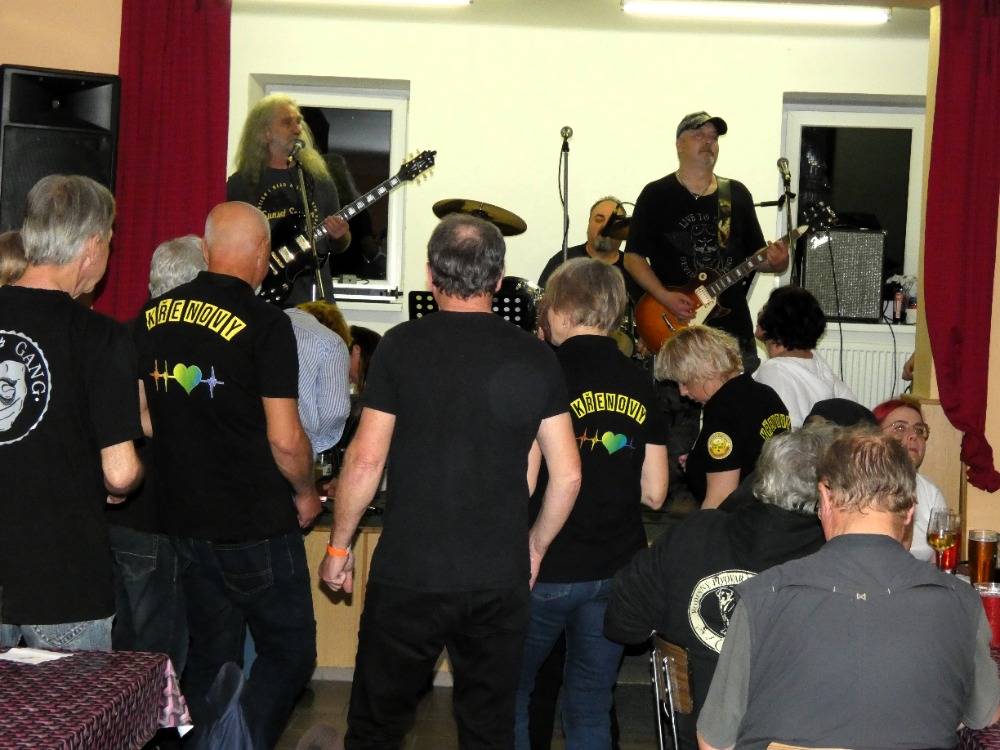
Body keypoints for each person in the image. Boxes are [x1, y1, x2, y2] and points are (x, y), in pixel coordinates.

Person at [318, 214, 582, 750]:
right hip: (497, 577)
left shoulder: (400, 346)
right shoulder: (535, 355)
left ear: (430, 274)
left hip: (409, 574)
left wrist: (339, 548)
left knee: (376, 729)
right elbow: (569, 474)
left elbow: (366, 461)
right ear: (499, 279)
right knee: (488, 733)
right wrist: (533, 548)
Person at [133, 201, 321, 748]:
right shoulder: (267, 324)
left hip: (183, 520)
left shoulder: (152, 316)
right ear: (262, 254)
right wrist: (306, 491)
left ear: (206, 248)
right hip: (254, 521)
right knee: (289, 652)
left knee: (211, 656)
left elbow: (142, 417)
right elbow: (285, 438)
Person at [697, 430, 1000, 750]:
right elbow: (985, 714)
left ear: (824, 499)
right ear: (911, 510)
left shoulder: (762, 597)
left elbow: (713, 742)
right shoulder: (962, 601)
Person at [514, 258, 668, 749]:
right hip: (616, 569)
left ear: (560, 311)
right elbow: (656, 491)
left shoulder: (545, 371)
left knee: (511, 694)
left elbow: (525, 481)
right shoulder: (640, 380)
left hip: (548, 567)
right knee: (590, 701)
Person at [604, 425, 833, 750]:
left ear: (762, 476)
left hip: (691, 732)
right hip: (795, 738)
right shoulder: (832, 559)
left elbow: (623, 623)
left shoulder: (695, 532)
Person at [0, 174, 143, 650]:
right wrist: (121, 483)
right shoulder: (101, 337)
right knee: (69, 702)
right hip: (63, 579)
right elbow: (120, 473)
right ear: (92, 245)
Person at [106, 234, 205, 672]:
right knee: (157, 654)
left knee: (119, 646)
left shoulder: (121, 334)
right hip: (158, 514)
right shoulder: (183, 342)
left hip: (114, 513)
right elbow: (141, 419)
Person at [624, 111, 788, 367]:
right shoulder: (656, 194)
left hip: (731, 330)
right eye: (699, 135)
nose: (709, 141)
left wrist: (778, 262)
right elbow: (632, 258)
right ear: (679, 144)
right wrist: (664, 296)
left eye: (713, 137)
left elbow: (757, 256)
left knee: (737, 393)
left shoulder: (735, 194)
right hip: (675, 326)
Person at [227, 94, 351, 306]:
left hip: (315, 299)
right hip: (260, 302)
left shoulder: (319, 180)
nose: (297, 129)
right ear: (265, 133)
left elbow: (340, 244)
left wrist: (340, 236)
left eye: (298, 121)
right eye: (287, 123)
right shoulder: (241, 185)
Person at [655, 325, 790, 508]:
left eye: (684, 382)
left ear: (703, 371)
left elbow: (719, 500)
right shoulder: (767, 394)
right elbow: (748, 451)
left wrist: (698, 528)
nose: (682, 392)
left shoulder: (721, 409)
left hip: (740, 519)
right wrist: (699, 461)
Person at [752, 285, 856, 426]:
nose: (760, 313)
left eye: (766, 309)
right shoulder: (814, 358)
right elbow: (852, 407)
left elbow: (784, 431)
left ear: (777, 320)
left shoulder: (775, 370)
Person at [873, 396, 947, 563]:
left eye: (919, 430)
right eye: (900, 428)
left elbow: (940, 560)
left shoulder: (930, 492)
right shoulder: (860, 487)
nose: (913, 435)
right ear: (875, 436)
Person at [537, 196, 642, 303]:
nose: (605, 226)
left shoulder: (635, 268)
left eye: (614, 222)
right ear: (588, 224)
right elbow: (542, 303)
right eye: (599, 220)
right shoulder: (564, 259)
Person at [286, 300, 352, 454]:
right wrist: (315, 443)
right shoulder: (331, 343)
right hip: (293, 445)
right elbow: (335, 410)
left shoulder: (263, 323)